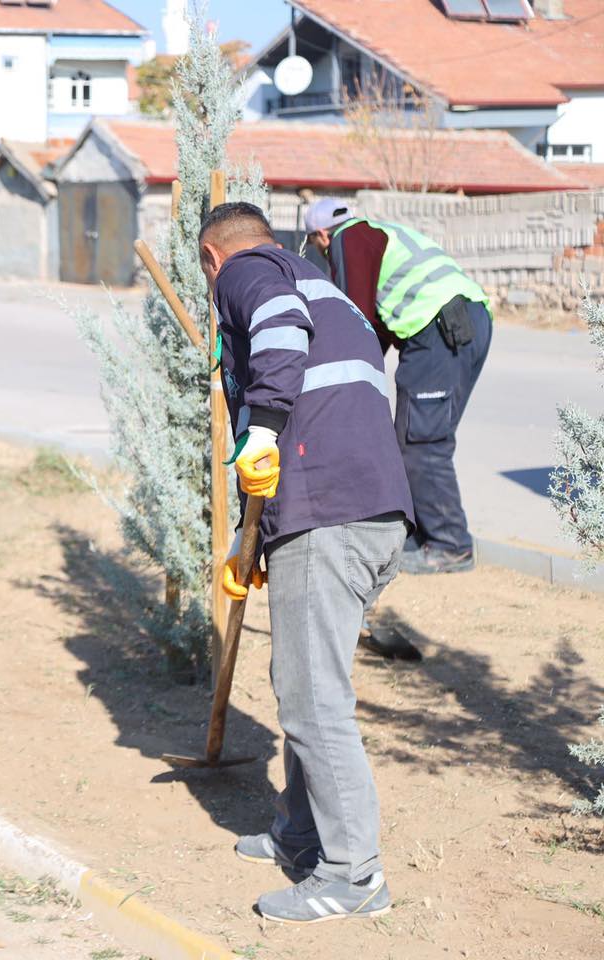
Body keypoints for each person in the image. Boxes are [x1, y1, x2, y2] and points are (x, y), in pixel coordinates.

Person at [201, 202, 414, 924]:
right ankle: (301, 832)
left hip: (330, 516)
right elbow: (317, 415)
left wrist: (257, 429)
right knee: (305, 680)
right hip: (369, 511)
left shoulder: (248, 271)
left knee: (313, 698)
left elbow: (277, 350)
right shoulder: (321, 283)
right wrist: (252, 539)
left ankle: (354, 878)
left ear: (211, 258)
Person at [304, 198, 492, 575]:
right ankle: (424, 536)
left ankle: (450, 545)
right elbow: (378, 324)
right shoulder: (380, 233)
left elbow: (354, 315)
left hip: (438, 328)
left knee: (420, 441)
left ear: (321, 235)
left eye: (318, 246)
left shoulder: (348, 239)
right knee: (421, 436)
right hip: (466, 321)